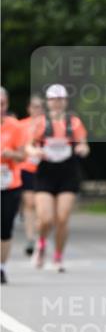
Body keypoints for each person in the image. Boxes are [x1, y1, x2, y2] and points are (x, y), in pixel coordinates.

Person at [28, 83, 89, 271]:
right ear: (48, 102)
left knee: (62, 218)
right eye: (53, 99)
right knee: (45, 218)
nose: (57, 103)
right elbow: (28, 146)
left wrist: (82, 149)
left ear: (65, 101)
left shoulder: (74, 122)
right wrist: (35, 152)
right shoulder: (40, 123)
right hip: (45, 172)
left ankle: (58, 256)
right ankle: (41, 243)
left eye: (60, 99)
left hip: (67, 172)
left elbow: (84, 145)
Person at [1, 87, 26, 285]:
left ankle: (1, 267)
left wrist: (11, 155)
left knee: (5, 228)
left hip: (9, 183)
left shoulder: (15, 127)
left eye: (1, 103)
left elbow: (22, 155)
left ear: (6, 104)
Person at [18, 93, 45, 256]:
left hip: (45, 169)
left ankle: (40, 235)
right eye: (34, 106)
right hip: (26, 168)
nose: (37, 110)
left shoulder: (48, 125)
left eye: (40, 107)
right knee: (29, 203)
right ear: (29, 108)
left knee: (40, 206)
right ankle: (30, 238)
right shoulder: (21, 125)